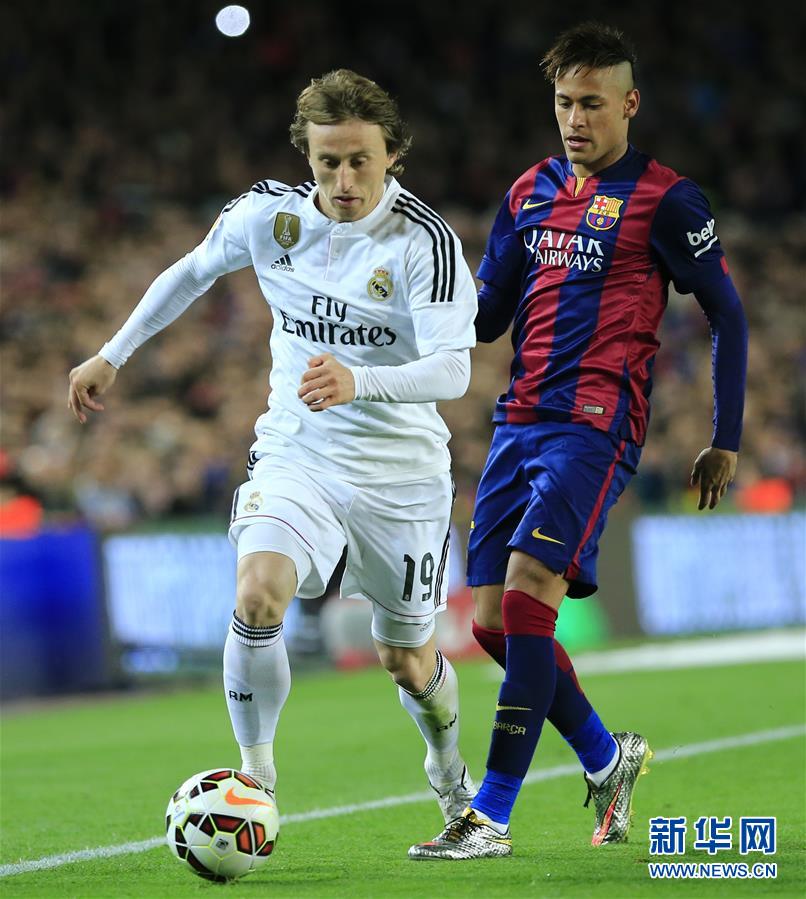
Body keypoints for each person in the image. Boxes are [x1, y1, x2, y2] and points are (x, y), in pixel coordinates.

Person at [68, 69, 480, 831]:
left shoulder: (425, 241)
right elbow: (192, 271)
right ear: (307, 156)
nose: (344, 180)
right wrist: (111, 353)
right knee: (257, 594)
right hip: (300, 451)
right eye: (328, 162)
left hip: (401, 473)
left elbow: (454, 369)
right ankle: (255, 782)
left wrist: (359, 381)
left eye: (360, 161)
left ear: (393, 154)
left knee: (407, 659)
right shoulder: (268, 216)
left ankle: (451, 776)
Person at [409, 22, 748, 860]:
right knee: (492, 622)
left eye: (592, 103)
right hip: (517, 420)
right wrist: (412, 295)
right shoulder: (529, 191)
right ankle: (605, 756)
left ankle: (489, 815)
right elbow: (486, 317)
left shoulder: (668, 199)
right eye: (564, 102)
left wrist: (726, 435)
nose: (575, 118)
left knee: (530, 597)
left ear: (629, 104)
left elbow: (727, 314)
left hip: (595, 425)